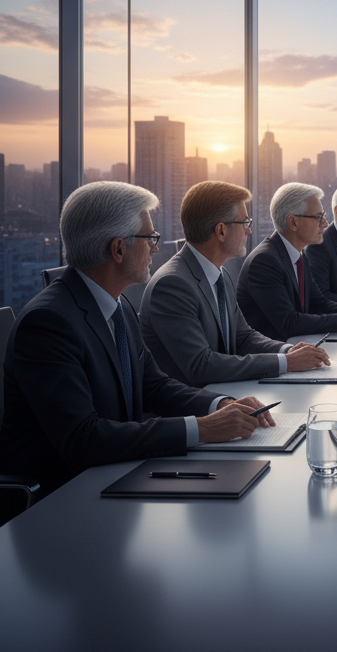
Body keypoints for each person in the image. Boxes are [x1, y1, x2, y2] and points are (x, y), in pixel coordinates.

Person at [0, 182, 273, 497]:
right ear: (118, 249)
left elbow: (154, 386)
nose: (156, 248)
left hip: (120, 474)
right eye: (150, 238)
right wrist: (203, 429)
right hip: (63, 498)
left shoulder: (117, 305)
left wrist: (219, 404)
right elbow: (83, 439)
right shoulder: (48, 324)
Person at [140, 181, 332, 386]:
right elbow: (201, 366)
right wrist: (285, 362)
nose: (249, 232)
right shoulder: (173, 285)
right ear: (221, 231)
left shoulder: (218, 273)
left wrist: (286, 350)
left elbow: (243, 336)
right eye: (245, 223)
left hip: (229, 395)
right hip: (197, 409)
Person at [236, 182, 337, 343]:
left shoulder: (298, 255)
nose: (325, 224)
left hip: (300, 349)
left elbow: (318, 303)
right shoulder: (264, 261)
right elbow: (289, 322)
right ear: (293, 222)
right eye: (318, 217)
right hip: (275, 359)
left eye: (324, 216)